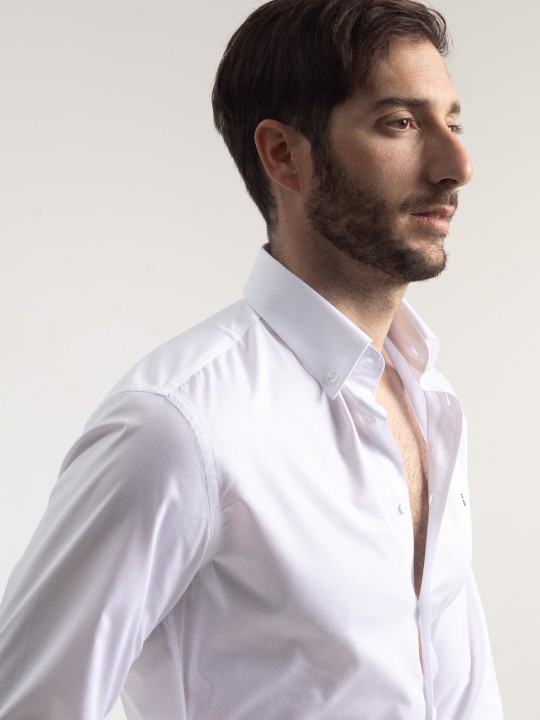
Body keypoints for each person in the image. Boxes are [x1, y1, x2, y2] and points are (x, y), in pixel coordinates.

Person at [0, 0, 503, 718]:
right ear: (283, 155)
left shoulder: (430, 397)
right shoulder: (178, 427)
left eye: (453, 122)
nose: (458, 167)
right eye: (400, 122)